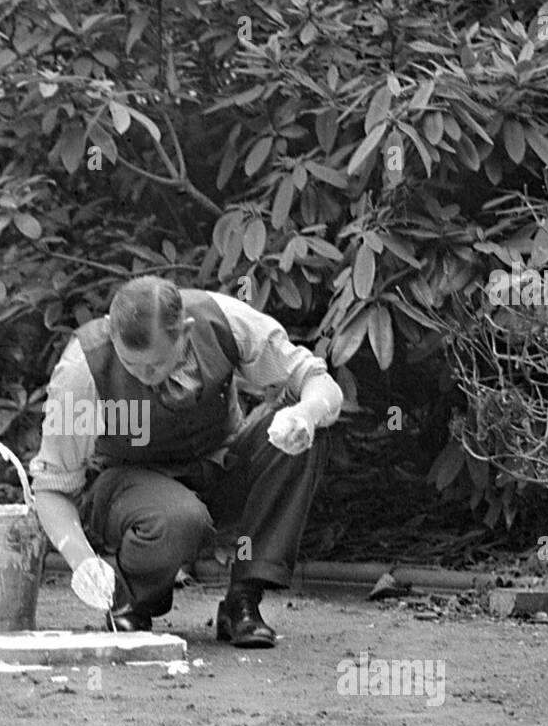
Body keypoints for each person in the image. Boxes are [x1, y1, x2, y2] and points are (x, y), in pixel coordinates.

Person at [28, 276, 343, 648]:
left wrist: (306, 413)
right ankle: (132, 600)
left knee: (305, 428)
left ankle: (243, 600)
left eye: (158, 363)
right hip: (130, 488)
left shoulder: (222, 320)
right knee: (179, 519)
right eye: (132, 364)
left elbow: (319, 382)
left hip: (220, 465)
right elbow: (51, 489)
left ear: (185, 332)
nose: (146, 375)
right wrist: (82, 562)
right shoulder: (83, 371)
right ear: (113, 335)